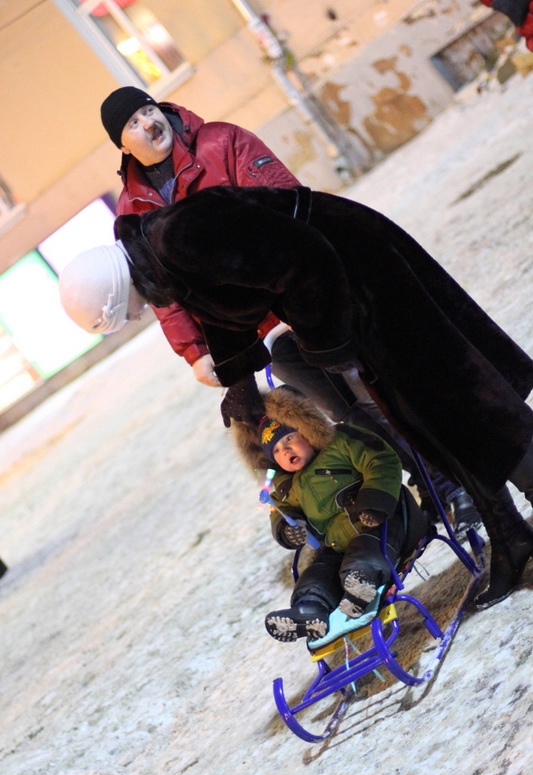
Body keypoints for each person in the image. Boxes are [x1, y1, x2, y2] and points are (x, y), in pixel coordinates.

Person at [58, 184, 533, 608]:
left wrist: (326, 341)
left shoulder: (178, 240)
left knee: (452, 401)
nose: (137, 315)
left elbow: (304, 259)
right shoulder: (165, 253)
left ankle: (517, 516)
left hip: (364, 274)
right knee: (428, 419)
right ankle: (509, 533)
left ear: (116, 291)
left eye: (126, 311)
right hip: (347, 284)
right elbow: (229, 304)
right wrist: (240, 378)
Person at [99, 86, 480, 532]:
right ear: (123, 146)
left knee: (381, 391)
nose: (149, 124)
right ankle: (432, 482)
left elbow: (286, 203)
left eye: (149, 110)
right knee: (345, 413)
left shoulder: (222, 141)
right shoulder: (131, 208)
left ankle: (462, 480)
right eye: (134, 123)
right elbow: (162, 291)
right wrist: (195, 350)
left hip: (306, 297)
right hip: (257, 332)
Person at [232, 385, 430, 642]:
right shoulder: (285, 486)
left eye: (289, 439)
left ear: (306, 429)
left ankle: (361, 585)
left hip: (385, 523)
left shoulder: (340, 443)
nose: (285, 451)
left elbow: (380, 460)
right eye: (277, 451)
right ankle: (309, 609)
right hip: (336, 546)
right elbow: (281, 512)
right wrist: (287, 528)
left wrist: (374, 501)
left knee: (363, 553)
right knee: (317, 572)